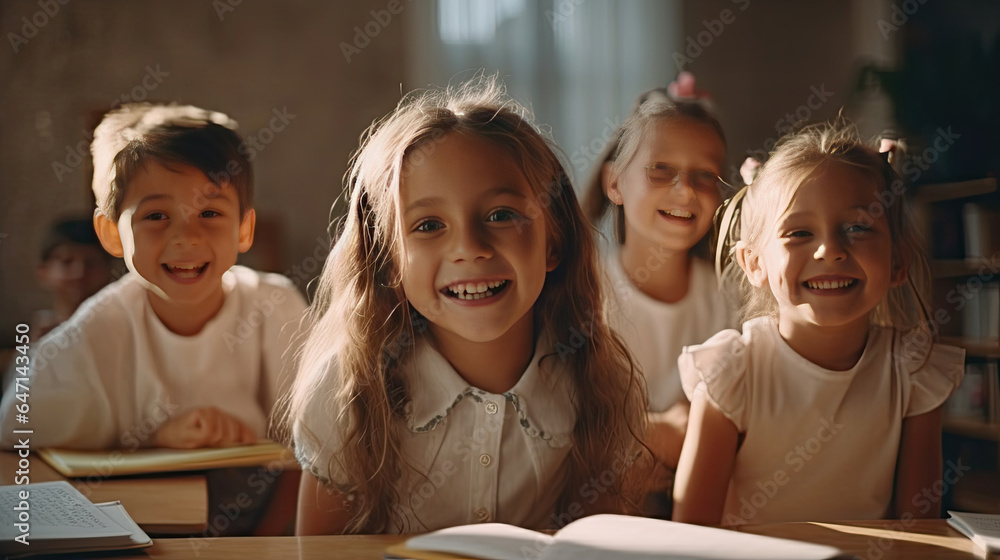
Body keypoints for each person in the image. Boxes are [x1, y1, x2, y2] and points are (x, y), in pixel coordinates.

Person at [287, 76, 650, 535]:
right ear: (389, 261)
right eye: (429, 225)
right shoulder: (346, 392)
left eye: (500, 215)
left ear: (552, 241)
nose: (469, 248)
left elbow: (599, 545)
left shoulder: (601, 380)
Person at [0, 102, 308, 534]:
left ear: (243, 228)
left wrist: (267, 547)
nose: (186, 236)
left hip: (271, 524)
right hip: (147, 528)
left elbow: (321, 449)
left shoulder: (274, 305)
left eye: (210, 213)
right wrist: (151, 437)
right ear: (110, 232)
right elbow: (15, 424)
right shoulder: (102, 324)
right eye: (156, 216)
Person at [672, 119, 965, 527]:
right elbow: (691, 537)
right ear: (754, 263)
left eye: (858, 227)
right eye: (799, 232)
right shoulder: (732, 373)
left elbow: (917, 533)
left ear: (898, 261)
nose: (830, 249)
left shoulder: (913, 371)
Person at [582, 75, 736, 476]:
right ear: (614, 182)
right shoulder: (583, 291)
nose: (685, 190)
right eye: (661, 169)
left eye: (705, 175)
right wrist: (663, 431)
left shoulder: (732, 298)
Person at [33, 217, 115, 337]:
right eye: (67, 262)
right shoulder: (36, 337)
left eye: (91, 263)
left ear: (109, 270)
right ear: (43, 272)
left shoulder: (128, 330)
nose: (79, 274)